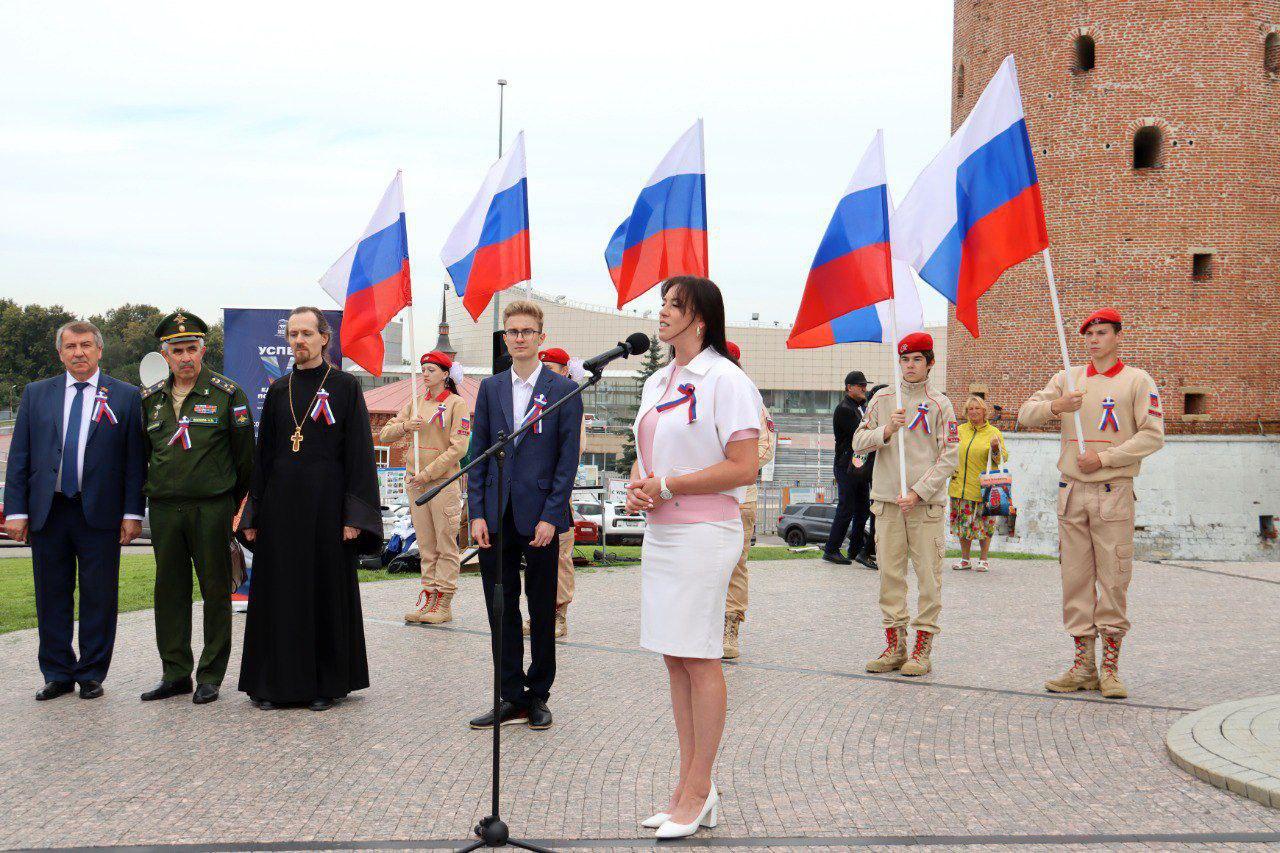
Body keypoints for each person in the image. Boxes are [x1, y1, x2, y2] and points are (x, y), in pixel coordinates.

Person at [626, 276, 762, 840]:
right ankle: (685, 786)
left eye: (672, 306)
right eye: (661, 305)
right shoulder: (660, 378)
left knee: (700, 656)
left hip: (707, 531)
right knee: (674, 657)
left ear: (699, 319)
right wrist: (639, 483)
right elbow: (648, 454)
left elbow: (744, 465)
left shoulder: (725, 380)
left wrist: (669, 483)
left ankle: (701, 788)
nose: (661, 314)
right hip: (662, 533)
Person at [236, 307, 381, 711]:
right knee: (279, 596)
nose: (299, 341)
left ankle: (326, 685)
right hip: (281, 510)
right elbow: (264, 456)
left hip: (327, 509)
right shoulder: (279, 389)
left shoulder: (345, 386)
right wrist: (253, 514)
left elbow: (359, 454)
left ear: (324, 338)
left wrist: (355, 515)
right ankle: (271, 684)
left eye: (307, 333)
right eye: (293, 334)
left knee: (322, 594)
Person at [1018, 308, 1164, 699]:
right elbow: (1025, 414)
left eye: (1102, 332)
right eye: (1089, 334)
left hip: (1112, 491)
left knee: (1114, 578)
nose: (1094, 339)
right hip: (1072, 493)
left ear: (1117, 336)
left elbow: (1153, 435)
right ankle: (1083, 665)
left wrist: (1105, 458)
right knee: (1076, 580)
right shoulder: (1068, 379)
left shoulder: (1137, 380)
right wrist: (1056, 407)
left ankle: (1110, 667)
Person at [3, 321, 145, 701]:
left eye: (85, 345)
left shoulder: (127, 396)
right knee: (51, 594)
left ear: (99, 350)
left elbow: (135, 461)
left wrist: (133, 512)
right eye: (70, 346)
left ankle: (92, 672)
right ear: (60, 352)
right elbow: (20, 457)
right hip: (49, 511)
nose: (78, 352)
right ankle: (57, 672)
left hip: (99, 513)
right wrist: (15, 511)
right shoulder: (36, 394)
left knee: (99, 595)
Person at [466, 301, 582, 731]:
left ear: (540, 338)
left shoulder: (563, 392)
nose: (518, 338)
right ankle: (510, 694)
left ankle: (539, 695)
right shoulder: (491, 389)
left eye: (526, 331)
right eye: (511, 331)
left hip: (540, 519)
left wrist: (552, 516)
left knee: (540, 606)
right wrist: (476, 510)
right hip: (496, 517)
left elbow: (566, 462)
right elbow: (476, 454)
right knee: (501, 609)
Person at [139, 311, 255, 705]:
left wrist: (229, 503)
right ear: (164, 353)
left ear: (203, 350)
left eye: (192, 348)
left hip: (211, 507)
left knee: (215, 591)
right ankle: (175, 673)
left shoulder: (228, 394)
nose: (185, 357)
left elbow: (245, 462)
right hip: (166, 510)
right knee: (168, 591)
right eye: (177, 350)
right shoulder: (151, 399)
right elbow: (144, 457)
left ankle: (210, 675)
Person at [853, 332, 958, 678]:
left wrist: (919, 491)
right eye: (904, 359)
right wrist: (886, 430)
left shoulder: (941, 403)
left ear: (930, 363)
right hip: (886, 501)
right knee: (890, 576)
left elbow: (948, 457)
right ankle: (895, 644)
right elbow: (858, 441)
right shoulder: (883, 399)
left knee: (928, 576)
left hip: (923, 506)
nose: (910, 366)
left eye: (917, 359)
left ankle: (922, 648)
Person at [380, 350, 471, 626]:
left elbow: (459, 448)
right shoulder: (416, 403)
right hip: (416, 483)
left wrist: (429, 473)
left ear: (446, 374)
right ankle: (429, 595)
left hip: (442, 483)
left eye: (431, 369)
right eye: (423, 369)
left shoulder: (457, 404)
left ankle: (444, 600)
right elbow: (385, 433)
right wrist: (407, 426)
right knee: (426, 545)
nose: (425, 374)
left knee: (446, 544)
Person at [520, 346, 585, 640]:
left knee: (560, 555)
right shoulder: (530, 401)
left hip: (558, 490)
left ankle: (559, 612)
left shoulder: (570, 399)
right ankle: (537, 613)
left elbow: (576, 448)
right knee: (534, 555)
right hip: (530, 492)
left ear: (565, 372)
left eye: (553, 368)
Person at [720, 340, 776, 660]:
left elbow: (765, 447)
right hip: (704, 496)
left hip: (740, 496)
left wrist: (732, 468)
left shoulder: (752, 400)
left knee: (735, 563)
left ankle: (731, 626)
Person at [948, 395, 1009, 573]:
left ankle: (983, 559)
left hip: (985, 488)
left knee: (985, 525)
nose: (973, 412)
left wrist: (996, 448)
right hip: (960, 486)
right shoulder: (959, 430)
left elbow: (1003, 458)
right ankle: (965, 559)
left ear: (984, 411)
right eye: (970, 409)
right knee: (963, 524)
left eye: (977, 408)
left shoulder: (994, 432)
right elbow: (949, 452)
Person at [823, 371, 876, 568]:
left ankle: (855, 549)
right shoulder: (845, 409)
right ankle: (831, 549)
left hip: (858, 465)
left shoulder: (860, 407)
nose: (864, 388)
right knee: (846, 508)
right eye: (860, 385)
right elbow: (861, 434)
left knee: (862, 509)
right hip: (846, 465)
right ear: (849, 387)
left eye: (865, 385)